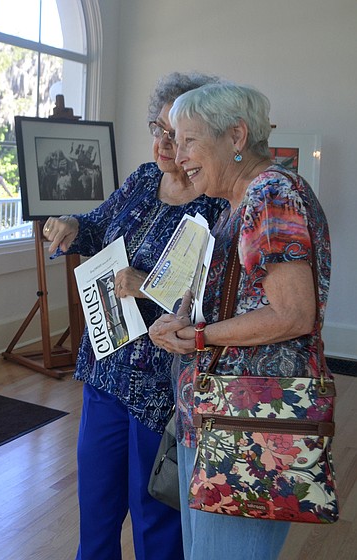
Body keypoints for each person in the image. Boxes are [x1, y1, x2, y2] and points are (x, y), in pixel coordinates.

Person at [42, 72, 226, 560]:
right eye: (158, 129)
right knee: (96, 508)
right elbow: (98, 225)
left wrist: (146, 283)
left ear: (200, 138)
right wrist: (72, 225)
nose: (164, 143)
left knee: (155, 520)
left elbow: (212, 295)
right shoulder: (144, 179)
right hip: (105, 368)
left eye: (177, 135)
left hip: (160, 385)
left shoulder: (216, 202)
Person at [148, 82, 331, 560]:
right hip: (219, 418)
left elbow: (293, 314)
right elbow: (236, 300)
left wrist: (199, 335)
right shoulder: (239, 202)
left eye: (189, 140)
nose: (178, 155)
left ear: (236, 136)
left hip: (247, 426)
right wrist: (182, 320)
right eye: (174, 141)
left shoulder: (270, 194)